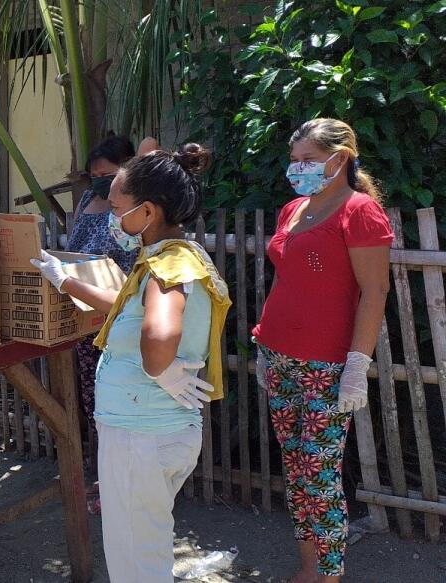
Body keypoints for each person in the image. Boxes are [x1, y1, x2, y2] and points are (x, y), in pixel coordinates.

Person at [32, 145, 231, 582]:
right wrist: (65, 280)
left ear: (148, 211)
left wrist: (163, 366)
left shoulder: (167, 264)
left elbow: (158, 334)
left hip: (141, 437)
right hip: (154, 430)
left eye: (118, 208)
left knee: (134, 561)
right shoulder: (176, 256)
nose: (111, 218)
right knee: (147, 545)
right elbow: (127, 306)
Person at [253, 118, 392, 583]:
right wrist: (262, 339)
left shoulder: (361, 212)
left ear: (341, 158)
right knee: (295, 468)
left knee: (319, 474)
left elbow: (375, 292)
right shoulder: (292, 209)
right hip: (279, 354)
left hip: (325, 364)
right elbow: (287, 277)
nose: (298, 169)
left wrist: (357, 365)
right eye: (295, 161)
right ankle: (309, 568)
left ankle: (329, 576)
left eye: (308, 160)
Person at [64, 134, 138, 514]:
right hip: (85, 319)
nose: (98, 182)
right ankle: (107, 477)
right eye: (93, 175)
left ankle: (123, 484)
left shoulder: (132, 208)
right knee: (97, 408)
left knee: (122, 405)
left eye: (106, 174)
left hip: (121, 317)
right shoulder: (86, 201)